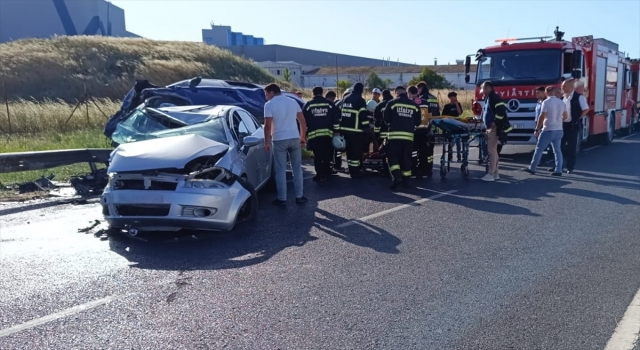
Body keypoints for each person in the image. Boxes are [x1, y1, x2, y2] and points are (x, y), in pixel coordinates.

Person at [263, 83, 308, 206]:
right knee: (297, 168)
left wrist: (266, 141)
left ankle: (282, 198)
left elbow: (267, 126)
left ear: (272, 92)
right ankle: (299, 196)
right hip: (294, 137)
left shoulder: (269, 105)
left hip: (279, 139)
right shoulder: (293, 102)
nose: (266, 96)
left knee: (281, 170)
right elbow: (302, 121)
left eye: (266, 94)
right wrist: (302, 136)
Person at [524, 86, 569, 175]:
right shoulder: (561, 102)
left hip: (548, 129)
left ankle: (532, 168)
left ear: (546, 93)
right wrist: (559, 120)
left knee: (539, 149)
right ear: (554, 92)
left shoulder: (546, 102)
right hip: (559, 129)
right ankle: (559, 169)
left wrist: (537, 128)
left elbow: (542, 116)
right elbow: (566, 116)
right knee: (557, 150)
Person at [384, 86, 422, 189]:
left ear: (396, 93)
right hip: (408, 138)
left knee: (393, 158)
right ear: (405, 92)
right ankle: (407, 180)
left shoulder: (392, 103)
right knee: (406, 159)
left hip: (394, 137)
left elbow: (386, 119)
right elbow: (418, 122)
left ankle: (397, 177)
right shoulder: (414, 105)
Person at [303, 86, 340, 182]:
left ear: (313, 93)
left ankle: (319, 175)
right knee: (327, 155)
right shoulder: (330, 104)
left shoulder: (309, 105)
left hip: (314, 136)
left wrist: (304, 134)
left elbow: (304, 121)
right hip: (327, 135)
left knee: (317, 156)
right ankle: (327, 173)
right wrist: (336, 131)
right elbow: (336, 119)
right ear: (322, 93)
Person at [337, 83, 369, 178]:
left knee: (349, 152)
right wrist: (366, 127)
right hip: (355, 131)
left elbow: (339, 113)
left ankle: (351, 169)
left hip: (344, 130)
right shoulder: (360, 100)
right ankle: (355, 172)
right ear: (361, 90)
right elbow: (363, 115)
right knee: (355, 152)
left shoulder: (345, 99)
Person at [479, 80, 508, 182]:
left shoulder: (493, 97)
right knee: (494, 151)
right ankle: (495, 173)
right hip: (492, 127)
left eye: (482, 89)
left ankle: (491, 174)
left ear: (487, 88)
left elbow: (501, 110)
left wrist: (495, 122)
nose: (481, 91)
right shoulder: (489, 98)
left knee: (491, 151)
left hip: (493, 128)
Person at [560, 78, 589, 174]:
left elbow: (586, 109)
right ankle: (558, 166)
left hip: (573, 125)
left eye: (564, 86)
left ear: (571, 87)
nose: (562, 87)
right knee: (559, 146)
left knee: (571, 147)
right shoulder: (562, 98)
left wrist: (577, 119)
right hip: (562, 125)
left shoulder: (579, 97)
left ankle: (570, 167)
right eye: (562, 86)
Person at [413, 81, 441, 178]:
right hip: (433, 127)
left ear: (420, 88)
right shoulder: (434, 98)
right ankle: (429, 169)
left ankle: (421, 168)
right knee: (429, 151)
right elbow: (437, 113)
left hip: (424, 128)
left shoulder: (421, 99)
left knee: (422, 151)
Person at [441, 91, 464, 162]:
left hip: (457, 123)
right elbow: (443, 116)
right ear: (450, 98)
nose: (455, 98)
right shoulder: (447, 106)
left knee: (458, 141)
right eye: (454, 97)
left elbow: (459, 113)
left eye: (456, 97)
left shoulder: (458, 104)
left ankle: (459, 156)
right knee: (451, 141)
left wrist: (457, 104)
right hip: (450, 125)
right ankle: (450, 156)